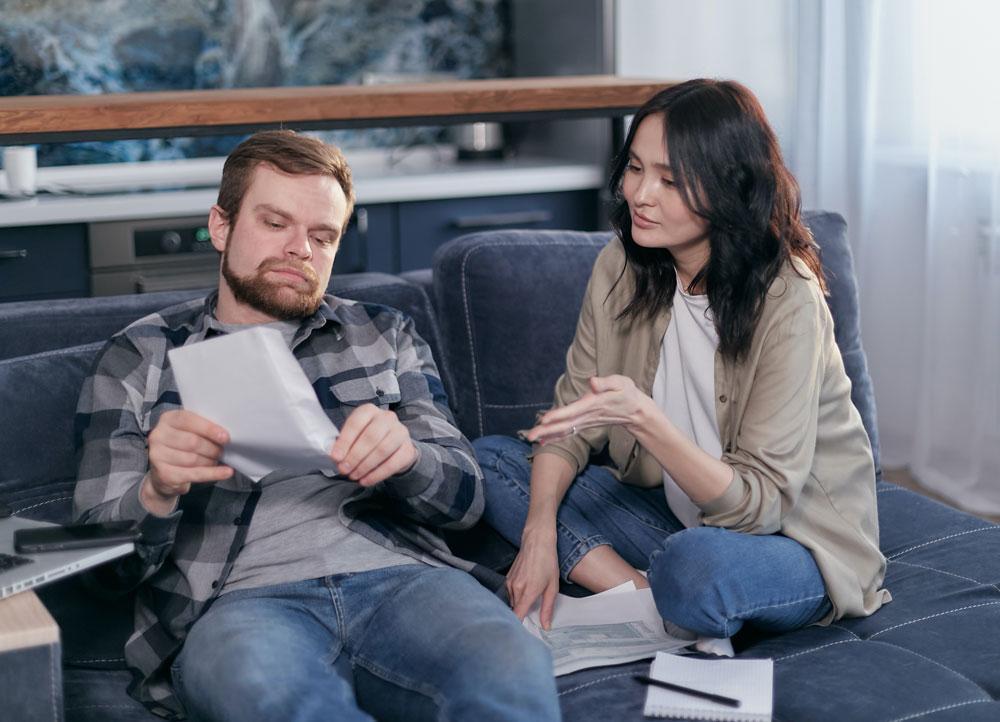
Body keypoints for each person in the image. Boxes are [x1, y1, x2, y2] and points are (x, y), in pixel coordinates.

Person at [73, 130, 559, 722]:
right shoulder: (141, 355)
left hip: (404, 582)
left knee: (512, 667)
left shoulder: (385, 333)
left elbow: (464, 504)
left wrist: (410, 459)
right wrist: (157, 490)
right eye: (275, 223)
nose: (300, 248)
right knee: (272, 698)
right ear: (221, 227)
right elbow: (99, 571)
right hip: (241, 606)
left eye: (322, 235)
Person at [475, 79, 891, 640]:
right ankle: (644, 596)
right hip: (676, 521)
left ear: (728, 187)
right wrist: (539, 536)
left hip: (791, 544)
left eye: (669, 181)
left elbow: (760, 507)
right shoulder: (620, 266)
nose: (641, 195)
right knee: (490, 462)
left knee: (695, 570)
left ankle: (655, 589)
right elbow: (567, 426)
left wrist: (644, 419)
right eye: (635, 168)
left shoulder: (788, 298)